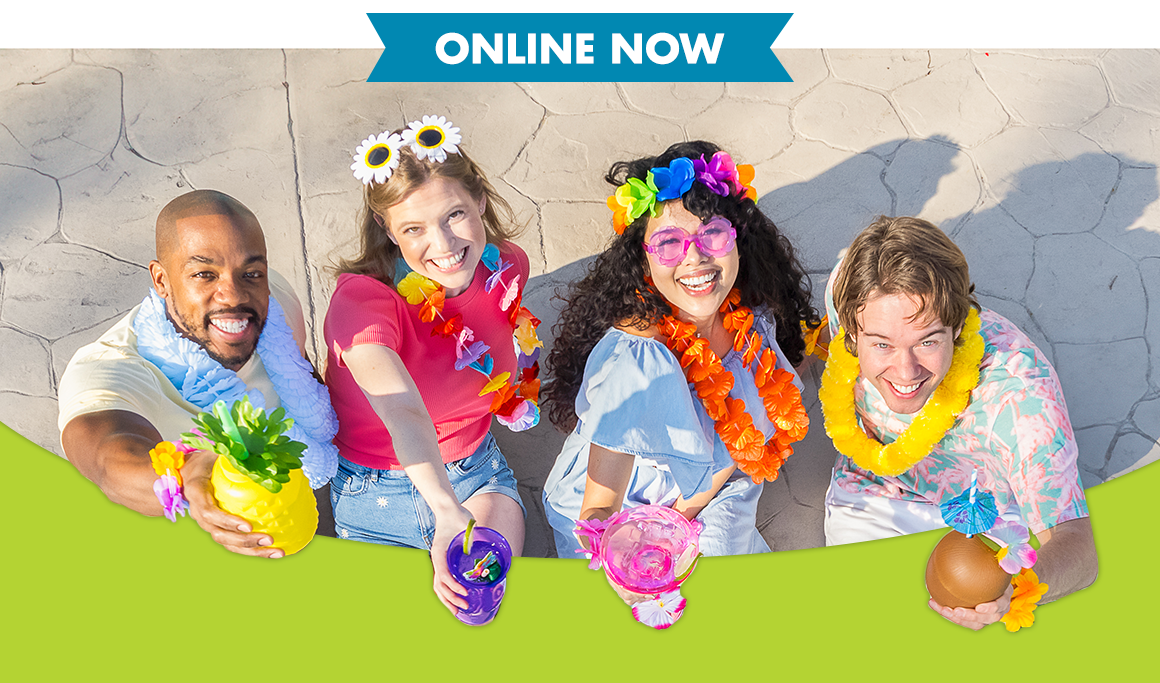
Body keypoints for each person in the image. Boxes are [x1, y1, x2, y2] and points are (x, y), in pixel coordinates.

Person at [542, 141, 818, 563]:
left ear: (738, 240)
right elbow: (600, 508)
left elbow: (735, 449)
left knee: (719, 577)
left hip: (710, 490)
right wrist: (625, 547)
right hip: (628, 503)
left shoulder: (754, 320)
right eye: (669, 243)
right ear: (643, 260)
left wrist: (681, 519)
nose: (696, 259)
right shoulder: (636, 359)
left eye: (712, 233)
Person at [818, 215, 1098, 630]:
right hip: (873, 490)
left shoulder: (1021, 401)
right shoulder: (851, 296)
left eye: (927, 341)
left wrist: (1016, 590)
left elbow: (1078, 547)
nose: (905, 371)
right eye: (882, 345)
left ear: (959, 326)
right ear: (853, 336)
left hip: (990, 521)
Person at [58, 190, 339, 558]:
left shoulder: (277, 299)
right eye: (204, 274)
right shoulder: (110, 367)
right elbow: (106, 457)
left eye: (251, 273)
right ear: (161, 280)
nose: (232, 295)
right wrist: (187, 473)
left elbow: (304, 383)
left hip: (309, 511)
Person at [326, 115, 532, 615]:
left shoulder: (507, 268)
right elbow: (402, 411)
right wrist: (444, 511)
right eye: (414, 228)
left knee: (479, 607)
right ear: (386, 228)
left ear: (480, 199)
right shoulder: (362, 304)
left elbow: (507, 351)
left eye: (455, 215)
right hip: (375, 490)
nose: (442, 246)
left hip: (476, 473)